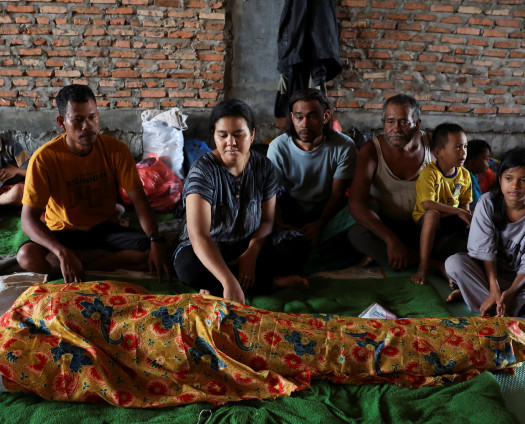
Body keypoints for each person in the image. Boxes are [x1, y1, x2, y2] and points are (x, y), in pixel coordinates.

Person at [17, 84, 171, 283]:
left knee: (161, 250)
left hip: (104, 229)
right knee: (27, 256)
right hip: (65, 233)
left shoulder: (116, 150)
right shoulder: (44, 158)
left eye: (92, 117)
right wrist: (62, 252)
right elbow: (28, 220)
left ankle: (82, 265)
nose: (87, 126)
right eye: (78, 120)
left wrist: (155, 239)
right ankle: (104, 262)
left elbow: (139, 200)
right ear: (62, 122)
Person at [173, 99, 309, 305]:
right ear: (214, 136)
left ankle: (214, 286)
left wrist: (251, 253)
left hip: (249, 241)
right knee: (188, 267)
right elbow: (199, 235)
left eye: (239, 134)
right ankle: (269, 283)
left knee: (297, 247)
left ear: (252, 134)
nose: (231, 142)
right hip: (211, 244)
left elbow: (266, 221)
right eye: (223, 135)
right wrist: (228, 280)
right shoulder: (202, 171)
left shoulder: (264, 167)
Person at [445, 147, 525, 328]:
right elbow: (486, 252)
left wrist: (511, 291)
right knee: (454, 263)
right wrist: (494, 289)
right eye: (509, 178)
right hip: (487, 275)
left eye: (524, 180)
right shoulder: (487, 203)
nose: (515, 186)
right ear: (500, 179)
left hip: (521, 281)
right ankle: (499, 304)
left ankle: (510, 319)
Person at [347, 94, 434, 270]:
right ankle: (433, 264)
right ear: (383, 122)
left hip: (429, 226)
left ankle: (402, 258)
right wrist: (391, 240)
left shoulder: (433, 145)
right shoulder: (371, 150)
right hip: (389, 227)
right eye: (390, 121)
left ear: (417, 124)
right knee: (357, 234)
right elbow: (356, 203)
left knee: (460, 241)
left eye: (403, 122)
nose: (395, 129)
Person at [266, 88, 356, 247]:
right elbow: (272, 193)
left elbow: (337, 195)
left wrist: (320, 224)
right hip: (291, 208)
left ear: (326, 116)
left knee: (361, 211)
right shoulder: (278, 147)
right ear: (292, 118)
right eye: (299, 118)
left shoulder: (343, 146)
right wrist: (279, 223)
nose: (305, 124)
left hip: (326, 209)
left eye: (312, 116)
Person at [411, 123, 472, 285]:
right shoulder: (429, 173)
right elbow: (427, 204)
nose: (463, 152)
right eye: (457, 147)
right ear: (438, 152)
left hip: (451, 220)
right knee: (433, 214)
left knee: (479, 224)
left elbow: (465, 203)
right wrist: (459, 212)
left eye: (465, 146)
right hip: (427, 221)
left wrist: (467, 220)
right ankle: (423, 266)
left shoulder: (465, 175)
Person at [465, 139, 495, 207]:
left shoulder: (474, 176)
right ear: (472, 162)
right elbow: (473, 206)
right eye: (486, 159)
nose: (489, 162)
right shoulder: (467, 179)